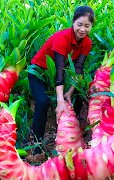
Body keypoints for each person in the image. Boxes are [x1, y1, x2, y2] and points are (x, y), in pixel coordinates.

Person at [28, 5, 95, 154]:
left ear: (91, 26)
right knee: (43, 102)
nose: (82, 29)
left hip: (58, 76)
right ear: (73, 22)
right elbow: (58, 69)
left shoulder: (87, 43)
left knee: (78, 98)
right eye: (79, 24)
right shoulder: (61, 37)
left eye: (87, 26)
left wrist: (69, 92)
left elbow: (78, 68)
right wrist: (59, 101)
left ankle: (76, 139)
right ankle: (36, 145)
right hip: (39, 72)